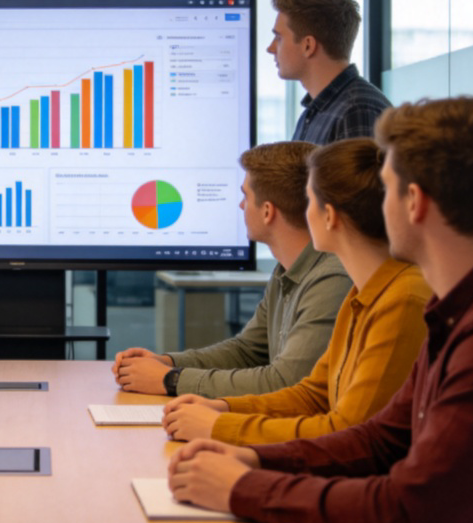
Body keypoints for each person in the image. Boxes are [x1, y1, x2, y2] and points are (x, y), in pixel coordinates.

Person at [162, 96, 473, 523]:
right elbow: (377, 438)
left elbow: (409, 511)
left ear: (415, 202)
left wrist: (246, 489)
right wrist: (252, 454)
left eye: (384, 185)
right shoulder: (459, 311)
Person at [161, 137, 430, 446]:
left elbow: (349, 433)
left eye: (310, 200)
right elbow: (313, 394)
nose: (303, 211)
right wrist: (221, 407)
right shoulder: (363, 290)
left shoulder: (401, 299)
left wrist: (219, 426)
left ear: (328, 216)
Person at [114, 142, 350, 399]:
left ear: (268, 211)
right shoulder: (287, 270)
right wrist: (167, 362)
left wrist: (170, 380)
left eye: (245, 196)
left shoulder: (332, 278)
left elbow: (286, 382)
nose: (240, 206)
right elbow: (247, 351)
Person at [269, 0, 390, 145]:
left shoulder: (357, 111)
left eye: (278, 38)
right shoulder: (316, 112)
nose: (270, 48)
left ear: (308, 46)